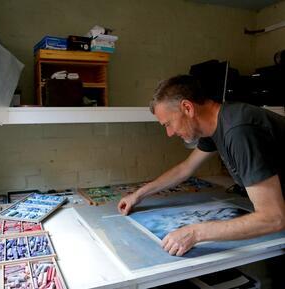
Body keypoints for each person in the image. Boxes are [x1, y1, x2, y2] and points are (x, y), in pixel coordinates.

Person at [117, 75, 285, 257]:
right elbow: (185, 169)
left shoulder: (239, 131)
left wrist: (195, 232)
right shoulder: (215, 124)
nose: (169, 133)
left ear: (187, 108)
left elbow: (273, 218)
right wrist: (138, 195)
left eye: (168, 124)